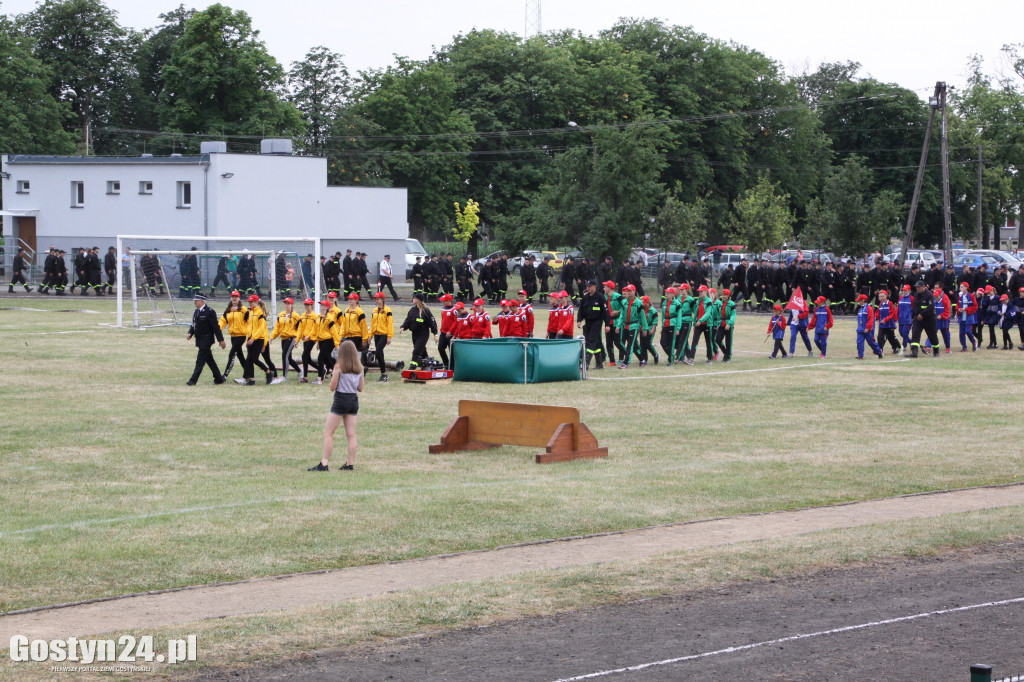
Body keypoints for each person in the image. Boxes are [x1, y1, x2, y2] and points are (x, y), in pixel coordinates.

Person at [308, 339, 364, 472]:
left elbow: (332, 387)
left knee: (328, 432)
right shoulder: (359, 368)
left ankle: (324, 463)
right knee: (351, 434)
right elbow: (360, 388)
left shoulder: (339, 367)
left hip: (341, 399)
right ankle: (349, 464)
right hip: (353, 400)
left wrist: (334, 376)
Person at [185, 294, 227, 385]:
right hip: (199, 340)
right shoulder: (196, 312)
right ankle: (219, 379)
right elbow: (194, 325)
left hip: (207, 339)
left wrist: (221, 340)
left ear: (202, 301)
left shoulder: (210, 312)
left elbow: (216, 327)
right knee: (210, 360)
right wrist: (190, 333)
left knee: (200, 360)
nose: (195, 302)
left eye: (197, 300)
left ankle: (193, 380)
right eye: (195, 300)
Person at [237, 295, 273, 385]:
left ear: (256, 302)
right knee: (249, 360)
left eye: (251, 302)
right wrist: (248, 338)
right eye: (249, 302)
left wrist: (254, 338)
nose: (250, 303)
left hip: (258, 339)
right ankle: (252, 380)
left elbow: (261, 328)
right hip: (251, 339)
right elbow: (249, 327)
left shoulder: (260, 313)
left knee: (254, 359)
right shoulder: (251, 312)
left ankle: (268, 372)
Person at [577, 280, 610, 369]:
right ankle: (599, 363)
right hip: (588, 322)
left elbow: (605, 312)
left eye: (590, 286)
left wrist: (607, 324)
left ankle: (586, 363)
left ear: (594, 287)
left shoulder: (600, 297)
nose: (588, 288)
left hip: (597, 322)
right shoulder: (585, 298)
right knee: (597, 343)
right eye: (587, 286)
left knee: (590, 341)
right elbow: (581, 310)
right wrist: (579, 320)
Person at [399, 294, 438, 367]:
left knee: (416, 351)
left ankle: (412, 366)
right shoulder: (412, 310)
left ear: (419, 300)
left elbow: (432, 323)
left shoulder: (426, 311)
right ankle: (428, 365)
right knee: (422, 351)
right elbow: (408, 320)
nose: (413, 299)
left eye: (414, 298)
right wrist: (403, 327)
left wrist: (435, 334)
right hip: (415, 334)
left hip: (423, 335)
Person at [270, 297, 302, 382]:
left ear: (292, 305)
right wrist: (272, 336)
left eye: (288, 303)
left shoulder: (296, 316)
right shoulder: (281, 314)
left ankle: (284, 376)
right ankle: (300, 371)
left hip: (291, 338)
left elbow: (300, 329)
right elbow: (277, 327)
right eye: (285, 303)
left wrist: (297, 340)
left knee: (284, 355)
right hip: (283, 338)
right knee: (289, 358)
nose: (287, 305)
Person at [616, 284, 646, 368]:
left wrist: (644, 328)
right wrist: (618, 326)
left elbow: (643, 317)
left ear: (634, 291)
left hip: (634, 326)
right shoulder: (624, 302)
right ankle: (642, 359)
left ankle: (626, 363)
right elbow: (622, 315)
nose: (628, 292)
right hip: (625, 326)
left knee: (630, 345)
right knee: (630, 344)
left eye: (630, 291)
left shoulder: (639, 303)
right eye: (627, 291)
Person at [219, 291, 248, 379]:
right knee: (240, 356)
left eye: (236, 297)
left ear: (239, 298)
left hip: (241, 335)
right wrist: (218, 332)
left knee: (232, 354)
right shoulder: (228, 310)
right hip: (233, 336)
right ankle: (249, 374)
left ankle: (225, 376)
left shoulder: (243, 309)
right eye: (233, 297)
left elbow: (250, 322)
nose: (234, 298)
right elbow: (222, 322)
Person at [368, 292, 395, 381]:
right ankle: (383, 374)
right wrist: (370, 335)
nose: (376, 301)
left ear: (383, 299)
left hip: (384, 334)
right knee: (380, 354)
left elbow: (390, 324)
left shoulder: (388, 310)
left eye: (378, 299)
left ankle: (384, 373)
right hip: (376, 334)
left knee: (378, 352)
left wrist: (389, 336)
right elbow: (372, 324)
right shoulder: (374, 310)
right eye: (376, 299)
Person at [909, 280, 939, 358]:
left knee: (932, 335)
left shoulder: (929, 295)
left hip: (929, 319)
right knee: (915, 334)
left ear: (923, 287)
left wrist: (922, 314)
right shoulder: (916, 295)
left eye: (918, 287)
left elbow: (931, 307)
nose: (917, 289)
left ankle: (936, 352)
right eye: (916, 287)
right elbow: (915, 307)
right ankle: (914, 352)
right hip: (918, 319)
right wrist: (914, 316)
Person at [314, 299, 340, 384]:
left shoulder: (329, 318)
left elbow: (334, 332)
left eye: (323, 305)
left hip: (329, 340)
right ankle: (337, 371)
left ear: (326, 307)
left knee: (320, 358)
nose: (321, 307)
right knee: (327, 358)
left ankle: (319, 378)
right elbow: (318, 330)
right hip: (322, 340)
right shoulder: (318, 317)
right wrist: (318, 342)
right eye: (321, 305)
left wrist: (337, 344)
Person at [297, 298, 321, 383]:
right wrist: (297, 339)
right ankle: (321, 370)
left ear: (312, 305)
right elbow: (300, 328)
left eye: (308, 305)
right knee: (308, 358)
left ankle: (305, 377)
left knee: (304, 356)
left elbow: (315, 328)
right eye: (305, 305)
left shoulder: (315, 316)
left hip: (312, 339)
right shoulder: (303, 315)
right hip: (305, 339)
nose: (307, 306)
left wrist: (310, 336)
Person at [855, 293, 884, 359]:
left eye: (859, 300)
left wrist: (868, 328)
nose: (858, 302)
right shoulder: (860, 310)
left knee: (871, 343)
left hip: (868, 330)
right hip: (860, 330)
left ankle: (879, 352)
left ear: (863, 300)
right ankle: (860, 356)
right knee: (859, 342)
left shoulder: (869, 308)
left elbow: (871, 319)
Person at [659, 287, 681, 364]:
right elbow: (663, 315)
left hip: (673, 324)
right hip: (665, 323)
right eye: (666, 293)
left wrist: (678, 328)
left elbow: (679, 316)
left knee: (671, 343)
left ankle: (670, 361)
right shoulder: (664, 302)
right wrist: (662, 326)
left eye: (668, 293)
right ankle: (672, 355)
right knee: (662, 342)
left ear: (673, 294)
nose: (666, 295)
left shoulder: (677, 304)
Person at [875, 290, 900, 355]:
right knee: (880, 337)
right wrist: (875, 318)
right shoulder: (880, 304)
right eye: (880, 296)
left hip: (889, 324)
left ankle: (897, 347)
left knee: (891, 337)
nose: (881, 298)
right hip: (882, 324)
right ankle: (880, 350)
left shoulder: (890, 303)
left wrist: (885, 320)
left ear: (886, 296)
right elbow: (878, 313)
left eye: (883, 296)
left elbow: (891, 314)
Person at [956, 282, 979, 352]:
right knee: (961, 333)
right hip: (961, 316)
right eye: (960, 287)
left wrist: (966, 309)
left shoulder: (971, 296)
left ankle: (974, 343)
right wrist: (958, 309)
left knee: (968, 331)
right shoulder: (960, 296)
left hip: (969, 317)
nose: (960, 288)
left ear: (966, 287)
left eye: (962, 287)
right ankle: (964, 347)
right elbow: (957, 305)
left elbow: (975, 307)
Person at [715, 289, 736, 362]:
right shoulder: (720, 304)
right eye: (722, 294)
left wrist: (729, 324)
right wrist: (718, 324)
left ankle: (728, 357)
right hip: (721, 324)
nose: (723, 296)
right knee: (717, 339)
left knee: (728, 342)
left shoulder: (732, 304)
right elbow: (718, 315)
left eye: (725, 295)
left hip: (728, 324)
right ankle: (726, 353)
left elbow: (733, 316)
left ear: (728, 296)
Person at [638, 295, 659, 365]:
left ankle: (655, 355)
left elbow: (655, 321)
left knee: (647, 343)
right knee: (642, 345)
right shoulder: (642, 309)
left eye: (645, 304)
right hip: (643, 328)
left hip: (650, 328)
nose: (644, 306)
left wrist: (653, 329)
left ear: (648, 303)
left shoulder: (653, 310)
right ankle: (644, 359)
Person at [436, 294, 457, 368]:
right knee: (440, 348)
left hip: (451, 333)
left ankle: (452, 367)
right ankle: (446, 363)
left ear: (449, 301)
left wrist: (451, 331)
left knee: (451, 351)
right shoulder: (443, 309)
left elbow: (456, 321)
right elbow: (443, 319)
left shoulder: (454, 310)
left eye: (444, 301)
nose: (443, 303)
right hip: (443, 332)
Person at [932, 284, 952, 353]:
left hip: (943, 321)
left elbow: (948, 312)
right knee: (932, 333)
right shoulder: (933, 301)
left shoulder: (945, 299)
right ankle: (928, 347)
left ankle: (948, 347)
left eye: (937, 295)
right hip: (935, 321)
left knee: (945, 334)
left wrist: (942, 316)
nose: (935, 296)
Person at [897, 285, 914, 354]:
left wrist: (912, 317)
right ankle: (911, 342)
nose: (904, 291)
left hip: (908, 320)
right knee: (901, 333)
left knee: (905, 333)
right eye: (903, 290)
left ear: (909, 291)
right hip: (901, 319)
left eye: (906, 290)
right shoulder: (900, 298)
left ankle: (904, 346)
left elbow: (914, 308)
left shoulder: (912, 298)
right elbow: (898, 308)